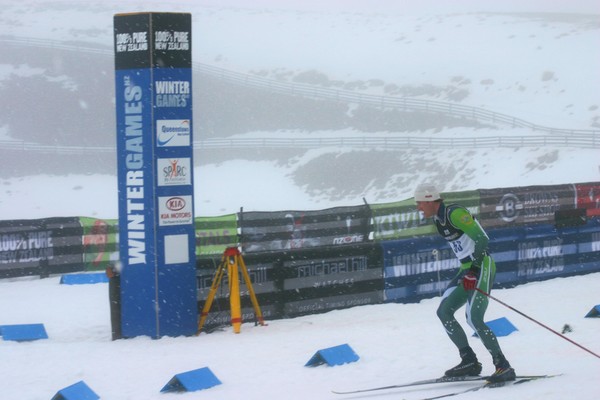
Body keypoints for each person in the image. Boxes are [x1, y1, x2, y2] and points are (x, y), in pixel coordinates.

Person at [414, 183, 516, 383]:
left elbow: (482, 239)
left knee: (474, 318)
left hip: (482, 265)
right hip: (466, 269)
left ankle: (502, 365)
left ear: (429, 200)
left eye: (419, 203)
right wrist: (467, 271)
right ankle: (469, 360)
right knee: (444, 312)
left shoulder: (455, 213)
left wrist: (474, 270)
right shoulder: (438, 220)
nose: (418, 207)